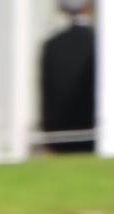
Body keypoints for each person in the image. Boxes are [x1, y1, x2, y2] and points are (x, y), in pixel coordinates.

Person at [41, 1, 97, 153]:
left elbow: (47, 93)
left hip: (59, 137)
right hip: (93, 135)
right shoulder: (98, 43)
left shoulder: (52, 45)